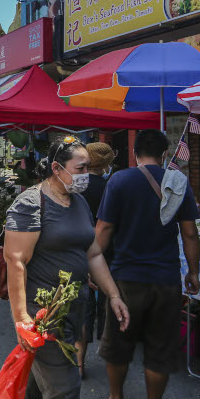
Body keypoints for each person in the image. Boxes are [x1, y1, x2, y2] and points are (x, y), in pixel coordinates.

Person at [4, 136, 131, 399]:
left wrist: (113, 294)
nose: (87, 174)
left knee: (42, 374)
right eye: (81, 167)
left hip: (75, 308)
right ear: (58, 168)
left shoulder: (79, 202)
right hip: (43, 316)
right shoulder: (31, 203)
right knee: (65, 389)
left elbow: (94, 253)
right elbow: (16, 260)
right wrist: (22, 318)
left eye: (88, 167)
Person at [95, 129, 200, 399]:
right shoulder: (178, 183)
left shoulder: (119, 181)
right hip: (165, 279)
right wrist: (192, 272)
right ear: (165, 154)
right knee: (160, 348)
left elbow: (103, 229)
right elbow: (190, 233)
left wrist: (92, 267)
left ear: (134, 153)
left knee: (118, 342)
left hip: (125, 279)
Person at [78, 141, 116, 375]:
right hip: (107, 251)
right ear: (106, 164)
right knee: (108, 301)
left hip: (79, 248)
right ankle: (108, 351)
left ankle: (80, 362)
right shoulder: (111, 187)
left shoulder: (77, 186)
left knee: (83, 306)